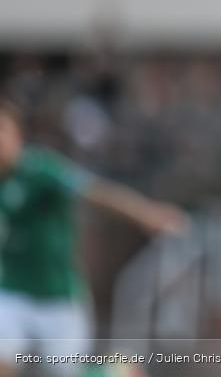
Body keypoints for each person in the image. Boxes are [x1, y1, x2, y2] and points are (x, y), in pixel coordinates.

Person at [0, 98, 188, 377]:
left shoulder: (39, 170)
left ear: (18, 136)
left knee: (70, 373)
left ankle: (119, 371)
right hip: (12, 293)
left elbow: (95, 193)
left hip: (57, 296)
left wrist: (146, 213)